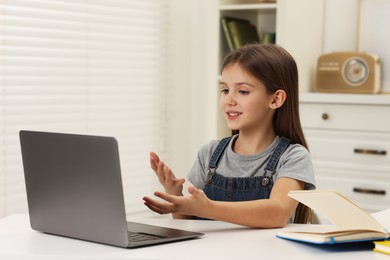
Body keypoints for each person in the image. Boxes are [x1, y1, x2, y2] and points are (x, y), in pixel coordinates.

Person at [143, 43, 315, 228]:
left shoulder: (293, 157)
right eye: (225, 90)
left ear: (275, 99)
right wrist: (175, 195)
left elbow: (277, 213)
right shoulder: (209, 154)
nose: (229, 100)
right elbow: (188, 224)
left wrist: (206, 208)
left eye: (243, 91)